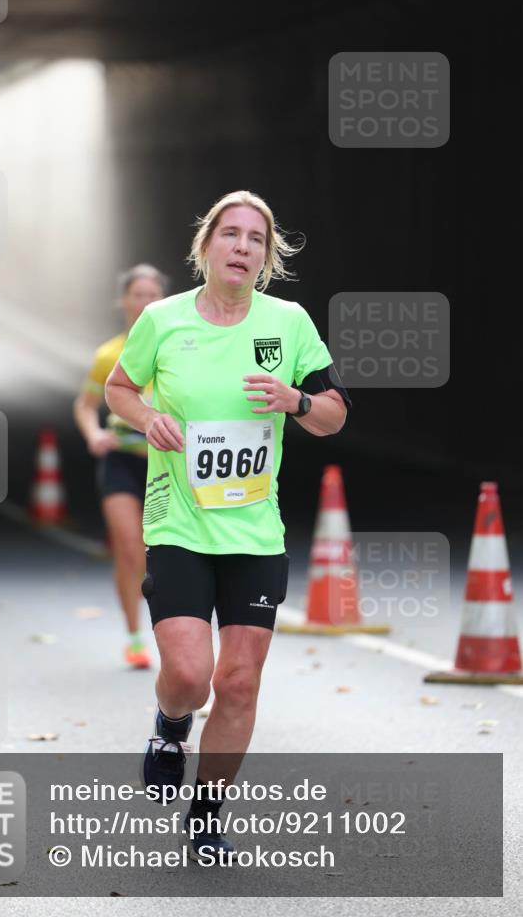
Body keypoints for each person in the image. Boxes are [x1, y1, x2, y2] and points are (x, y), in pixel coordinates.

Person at [105, 191, 351, 862]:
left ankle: (207, 814)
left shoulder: (288, 323)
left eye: (255, 239)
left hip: (254, 532)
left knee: (238, 681)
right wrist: (144, 416)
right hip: (179, 521)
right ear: (206, 246)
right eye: (230, 234)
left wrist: (295, 399)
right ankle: (169, 723)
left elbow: (333, 413)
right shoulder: (162, 319)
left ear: (265, 257)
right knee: (188, 673)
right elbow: (118, 389)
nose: (241, 247)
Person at [74, 264, 169, 669]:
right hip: (120, 461)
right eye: (138, 294)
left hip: (165, 464)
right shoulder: (109, 354)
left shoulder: (179, 347)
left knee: (165, 553)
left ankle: (171, 635)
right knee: (131, 549)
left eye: (153, 295)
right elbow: (85, 406)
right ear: (123, 301)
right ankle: (134, 636)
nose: (145, 302)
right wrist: (94, 435)